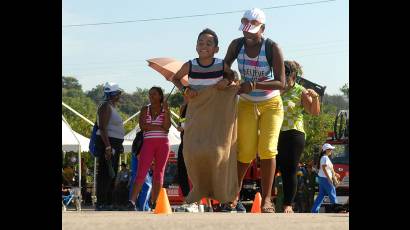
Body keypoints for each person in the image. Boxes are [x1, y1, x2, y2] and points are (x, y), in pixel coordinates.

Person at [224, 8, 286, 213]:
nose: (247, 33)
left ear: (263, 29)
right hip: (246, 103)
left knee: (267, 149)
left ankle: (267, 199)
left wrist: (254, 85)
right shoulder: (236, 44)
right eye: (245, 29)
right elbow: (225, 67)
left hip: (271, 104)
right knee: (245, 151)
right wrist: (231, 74)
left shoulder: (272, 47)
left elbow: (281, 83)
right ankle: (233, 194)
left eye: (252, 30)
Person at [171, 28, 238, 210]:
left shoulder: (220, 64)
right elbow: (175, 78)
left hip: (217, 116)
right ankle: (197, 191)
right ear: (195, 46)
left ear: (216, 49)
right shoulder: (190, 65)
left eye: (209, 43)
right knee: (190, 151)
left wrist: (227, 81)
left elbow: (233, 77)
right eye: (201, 43)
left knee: (217, 153)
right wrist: (185, 90)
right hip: (197, 112)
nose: (204, 46)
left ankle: (223, 196)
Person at [275, 60, 321, 213]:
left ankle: (288, 204)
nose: (282, 78)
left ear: (292, 75)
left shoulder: (300, 91)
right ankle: (268, 201)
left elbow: (313, 112)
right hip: (274, 133)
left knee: (290, 169)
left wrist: (315, 98)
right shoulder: (274, 89)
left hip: (294, 133)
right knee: (275, 167)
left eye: (285, 75)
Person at [128, 87, 171, 210]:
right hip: (148, 143)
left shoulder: (165, 110)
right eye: (150, 94)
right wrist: (159, 128)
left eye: (154, 94)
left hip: (163, 144)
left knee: (159, 173)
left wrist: (167, 111)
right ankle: (132, 200)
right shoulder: (145, 109)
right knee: (141, 172)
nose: (151, 96)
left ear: (160, 96)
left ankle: (155, 201)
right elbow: (143, 126)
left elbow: (167, 127)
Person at [95, 82, 125, 211]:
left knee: (111, 173)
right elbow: (102, 128)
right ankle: (102, 202)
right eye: (118, 93)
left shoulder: (111, 107)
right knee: (105, 173)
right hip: (108, 143)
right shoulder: (105, 107)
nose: (119, 95)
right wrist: (108, 147)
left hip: (114, 143)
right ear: (114, 94)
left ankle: (108, 201)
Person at [311, 143, 340, 213]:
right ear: (326, 150)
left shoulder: (324, 158)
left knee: (321, 195)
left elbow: (326, 169)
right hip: (325, 179)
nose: (331, 151)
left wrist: (335, 174)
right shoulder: (325, 158)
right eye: (330, 149)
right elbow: (324, 168)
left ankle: (314, 210)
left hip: (322, 178)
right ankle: (337, 210)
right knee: (332, 192)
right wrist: (329, 179)